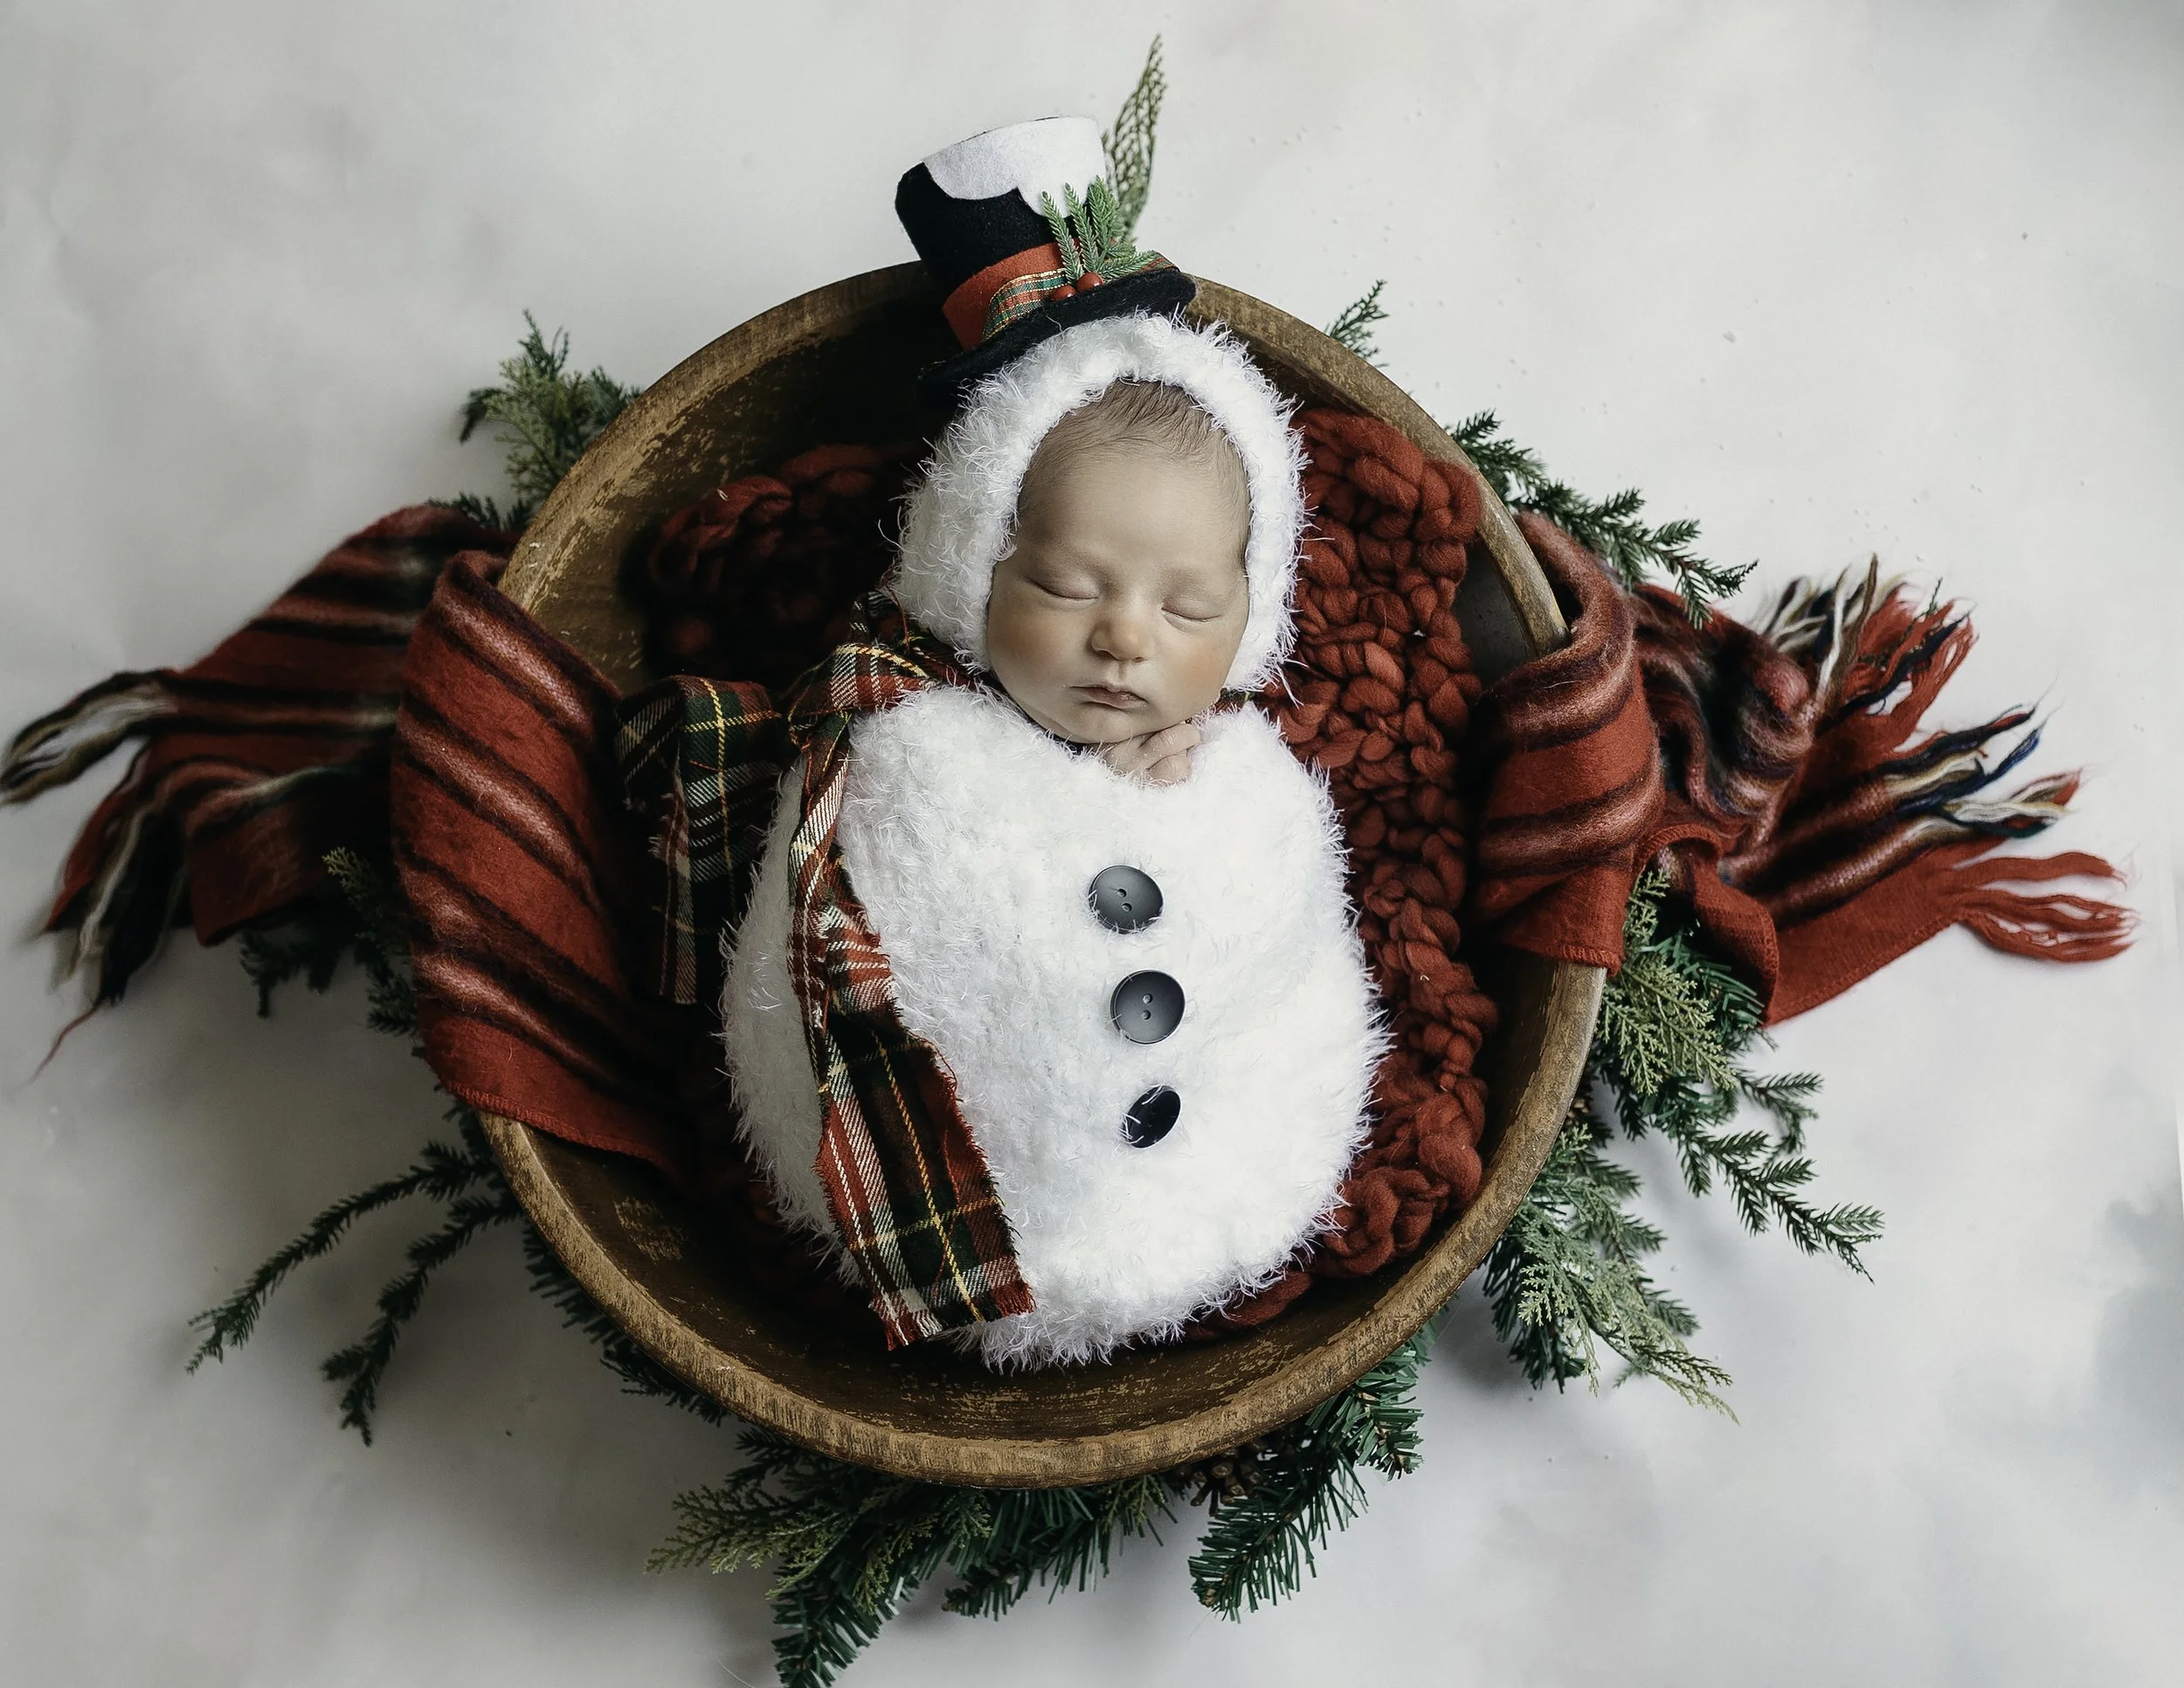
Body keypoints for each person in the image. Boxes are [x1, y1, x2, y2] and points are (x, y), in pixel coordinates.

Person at [719, 121, 1385, 1368]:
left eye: (1189, 609)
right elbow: (909, 930)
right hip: (961, 1194)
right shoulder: (903, 749)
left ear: (1253, 617)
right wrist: (1069, 808)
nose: (1126, 641)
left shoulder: (1237, 774)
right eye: (1073, 587)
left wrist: (1188, 817)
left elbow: (1278, 934)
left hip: (1222, 1174)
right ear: (973, 563)